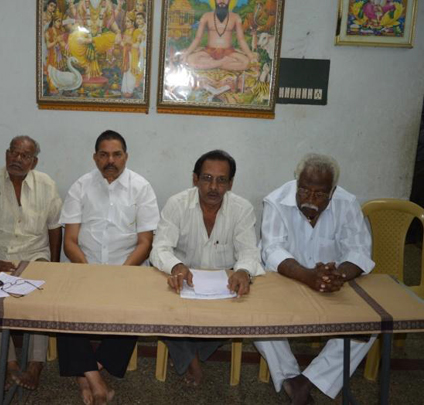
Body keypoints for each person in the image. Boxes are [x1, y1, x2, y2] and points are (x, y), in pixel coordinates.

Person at [255, 153, 376, 405]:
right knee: (258, 317)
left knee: (371, 323)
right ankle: (289, 375)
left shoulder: (347, 203)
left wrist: (338, 276)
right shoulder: (276, 201)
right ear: (296, 183)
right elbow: (272, 250)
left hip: (332, 285)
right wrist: (308, 276)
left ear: (332, 191)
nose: (310, 199)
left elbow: (359, 251)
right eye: (303, 191)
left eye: (319, 194)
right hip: (286, 280)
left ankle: (308, 380)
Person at [58, 130, 159, 404]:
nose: (110, 160)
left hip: (127, 269)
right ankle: (96, 381)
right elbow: (70, 241)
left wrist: (120, 274)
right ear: (95, 158)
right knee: (64, 308)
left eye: (116, 154)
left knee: (135, 310)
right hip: (84, 266)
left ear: (126, 157)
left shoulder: (141, 188)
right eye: (104, 155)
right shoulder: (80, 186)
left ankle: (86, 374)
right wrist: (89, 271)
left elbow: (145, 243)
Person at [150, 149, 264, 385]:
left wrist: (243, 271)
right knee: (160, 309)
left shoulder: (242, 209)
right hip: (183, 282)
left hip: (223, 287)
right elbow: (159, 248)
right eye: (207, 178)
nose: (214, 187)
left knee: (239, 314)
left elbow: (249, 251)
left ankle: (187, 352)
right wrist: (176, 266)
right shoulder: (177, 204)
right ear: (195, 179)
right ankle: (191, 358)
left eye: (221, 180)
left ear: (230, 183)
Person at [0, 135, 63, 390]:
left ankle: (35, 364)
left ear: (34, 161)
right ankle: (8, 365)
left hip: (35, 255)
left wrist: (52, 264)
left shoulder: (46, 185)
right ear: (6, 154)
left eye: (25, 155)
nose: (17, 159)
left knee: (38, 297)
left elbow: (54, 227)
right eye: (13, 152)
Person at [181, 0, 257, 71]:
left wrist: (250, 55)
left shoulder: (235, 17)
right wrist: (187, 53)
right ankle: (223, 63)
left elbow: (241, 39)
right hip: (209, 51)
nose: (222, 1)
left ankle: (212, 64)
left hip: (229, 52)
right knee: (190, 60)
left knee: (246, 62)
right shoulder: (206, 16)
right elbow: (198, 38)